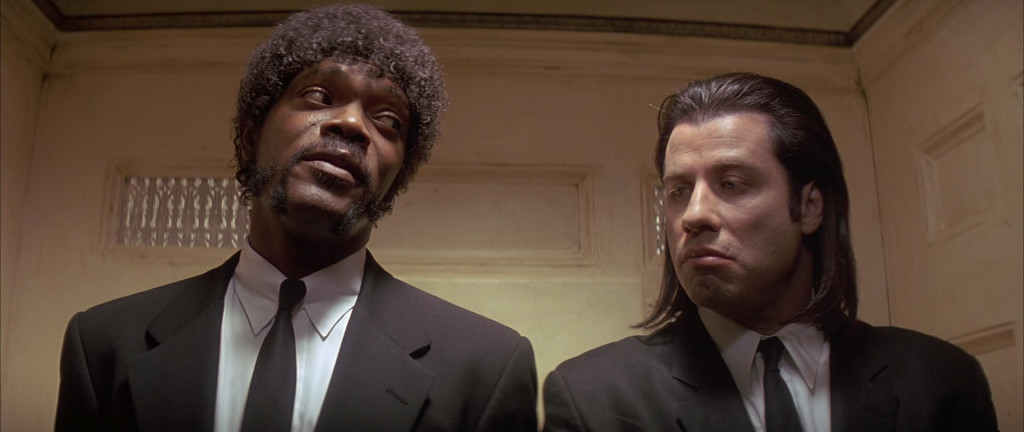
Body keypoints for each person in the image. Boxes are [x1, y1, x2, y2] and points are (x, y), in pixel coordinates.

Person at [55, 4, 537, 432]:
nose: (351, 124)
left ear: (397, 179)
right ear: (251, 136)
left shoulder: (488, 367)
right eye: (320, 96)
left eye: (389, 120)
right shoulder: (103, 343)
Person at [542, 72, 998, 432]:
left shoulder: (942, 382)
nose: (693, 215)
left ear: (809, 206)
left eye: (732, 184)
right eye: (679, 190)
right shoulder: (592, 398)